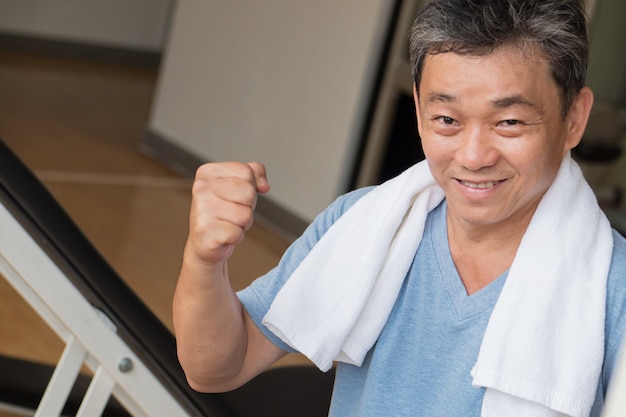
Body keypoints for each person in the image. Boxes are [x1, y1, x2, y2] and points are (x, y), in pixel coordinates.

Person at [172, 0, 626, 415]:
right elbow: (216, 369)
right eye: (446, 120)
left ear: (574, 119)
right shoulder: (363, 224)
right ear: (418, 108)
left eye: (508, 122)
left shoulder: (614, 291)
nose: (472, 156)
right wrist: (204, 260)